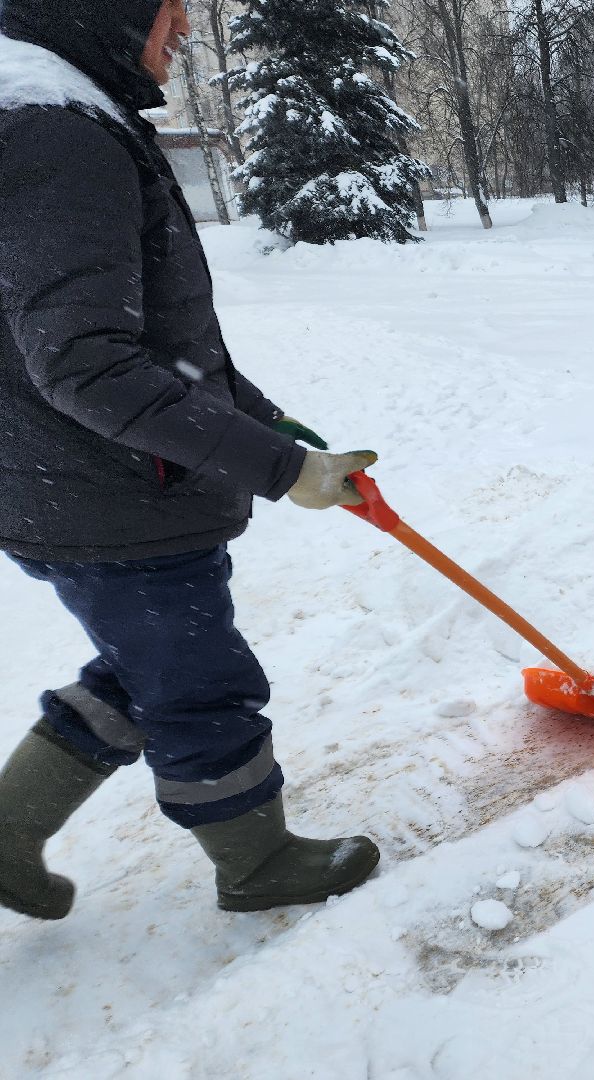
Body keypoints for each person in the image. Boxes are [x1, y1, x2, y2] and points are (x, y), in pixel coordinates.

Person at [0, 0, 383, 919]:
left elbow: (156, 345)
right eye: (169, 15)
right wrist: (284, 472)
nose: (181, 37)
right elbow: (91, 365)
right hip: (113, 493)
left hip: (64, 482)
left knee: (144, 668)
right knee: (200, 686)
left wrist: (269, 425)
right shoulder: (60, 133)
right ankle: (255, 862)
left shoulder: (46, 111)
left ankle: (7, 833)